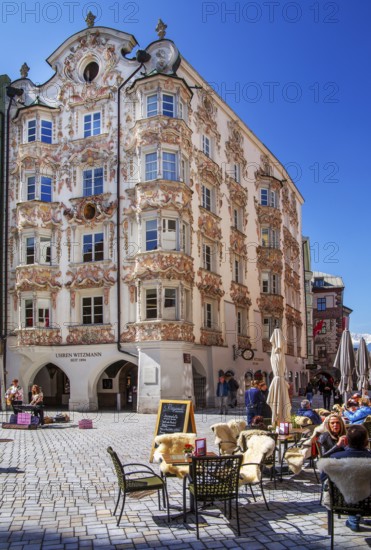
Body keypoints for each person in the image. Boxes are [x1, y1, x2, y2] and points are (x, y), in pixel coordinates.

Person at [325, 424, 371, 532]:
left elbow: (323, 477)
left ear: (346, 441)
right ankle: (354, 518)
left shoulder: (335, 458)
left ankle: (353, 519)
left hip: (342, 502)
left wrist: (337, 447)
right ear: (366, 442)